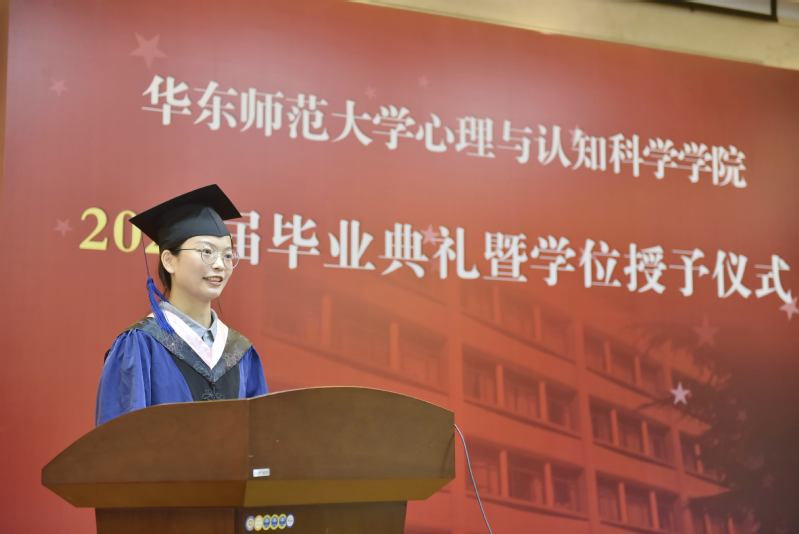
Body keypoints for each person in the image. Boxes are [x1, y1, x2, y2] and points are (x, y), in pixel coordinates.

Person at [96, 184, 267, 425]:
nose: (220, 264)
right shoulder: (142, 345)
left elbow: (261, 437)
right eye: (207, 251)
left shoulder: (240, 352)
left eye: (228, 255)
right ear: (169, 260)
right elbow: (120, 440)